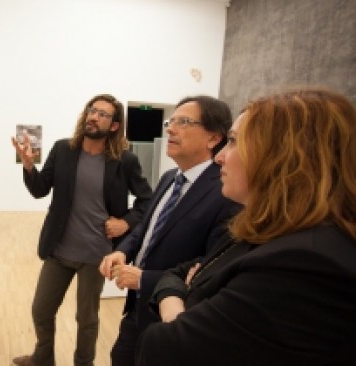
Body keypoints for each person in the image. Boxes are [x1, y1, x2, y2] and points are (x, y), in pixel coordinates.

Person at [137, 88, 356, 365]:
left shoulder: (305, 264)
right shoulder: (265, 228)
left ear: (283, 155)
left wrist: (176, 306)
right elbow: (179, 271)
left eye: (233, 142)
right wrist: (180, 290)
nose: (220, 157)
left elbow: (163, 349)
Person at [10, 94, 153, 366]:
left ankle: (83, 363)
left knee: (86, 319)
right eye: (92, 110)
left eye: (102, 114)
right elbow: (40, 189)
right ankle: (43, 357)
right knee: (41, 309)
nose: (93, 116)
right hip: (59, 248)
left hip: (96, 255)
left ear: (113, 125)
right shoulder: (63, 149)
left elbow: (147, 200)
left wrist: (126, 222)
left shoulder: (125, 160)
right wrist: (29, 166)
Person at [99, 95, 241, 366]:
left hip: (173, 322)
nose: (170, 129)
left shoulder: (225, 193)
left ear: (213, 138)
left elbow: (210, 269)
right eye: (170, 121)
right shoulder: (168, 178)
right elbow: (146, 227)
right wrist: (123, 251)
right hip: (135, 312)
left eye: (184, 122)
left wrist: (145, 279)